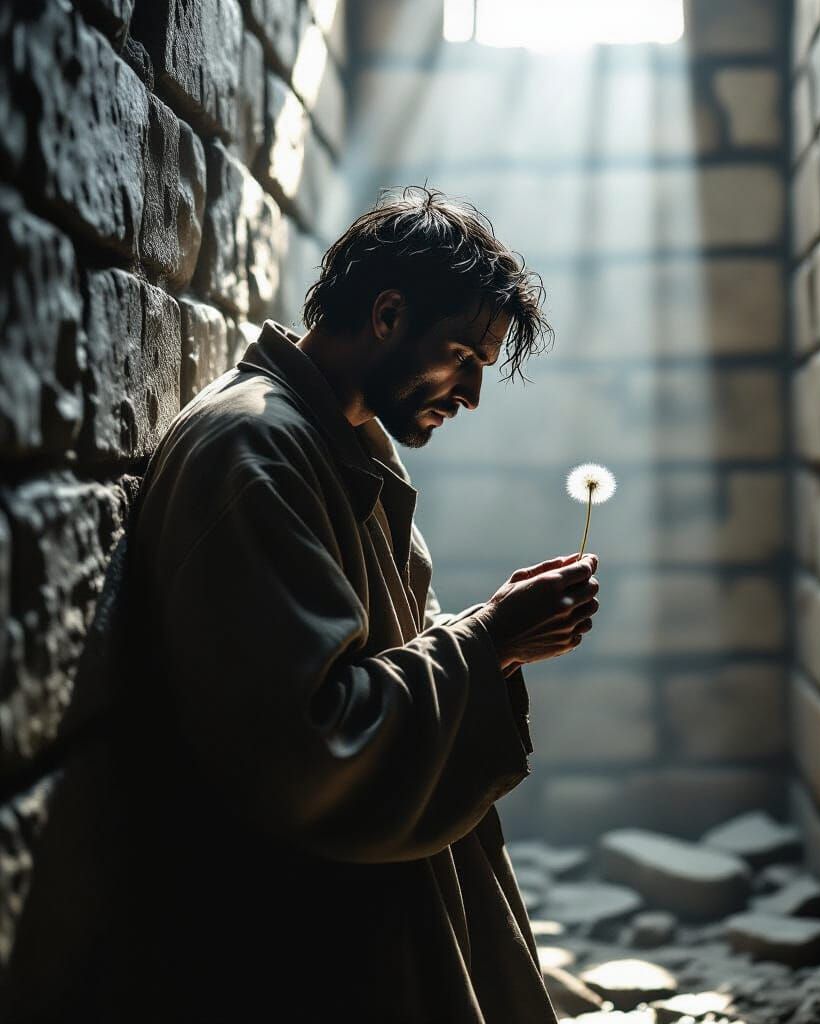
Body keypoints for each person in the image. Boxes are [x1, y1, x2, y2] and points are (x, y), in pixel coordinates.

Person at [113, 187, 601, 1022]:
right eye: (463, 357)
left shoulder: (344, 442)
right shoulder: (255, 450)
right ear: (385, 313)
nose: (472, 395)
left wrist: (502, 637)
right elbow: (311, 744)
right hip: (302, 946)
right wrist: (487, 642)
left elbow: (391, 650)